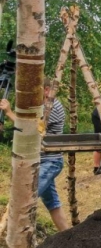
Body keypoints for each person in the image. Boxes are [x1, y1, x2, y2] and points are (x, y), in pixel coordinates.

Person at [0, 77, 70, 231]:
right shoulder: (43, 106)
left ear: (46, 90)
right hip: (41, 161)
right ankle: (69, 236)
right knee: (53, 205)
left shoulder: (53, 108)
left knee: (25, 200)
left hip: (50, 162)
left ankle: (16, 244)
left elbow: (31, 130)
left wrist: (9, 112)